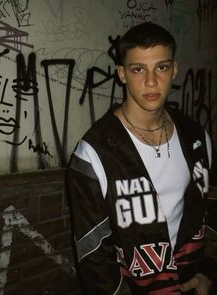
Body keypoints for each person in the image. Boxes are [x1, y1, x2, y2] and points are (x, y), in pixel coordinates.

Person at [66, 22, 216, 295]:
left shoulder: (197, 138)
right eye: (138, 69)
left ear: (174, 69)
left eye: (161, 67)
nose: (151, 81)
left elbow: (206, 212)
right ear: (122, 74)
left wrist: (207, 272)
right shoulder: (95, 153)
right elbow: (93, 254)